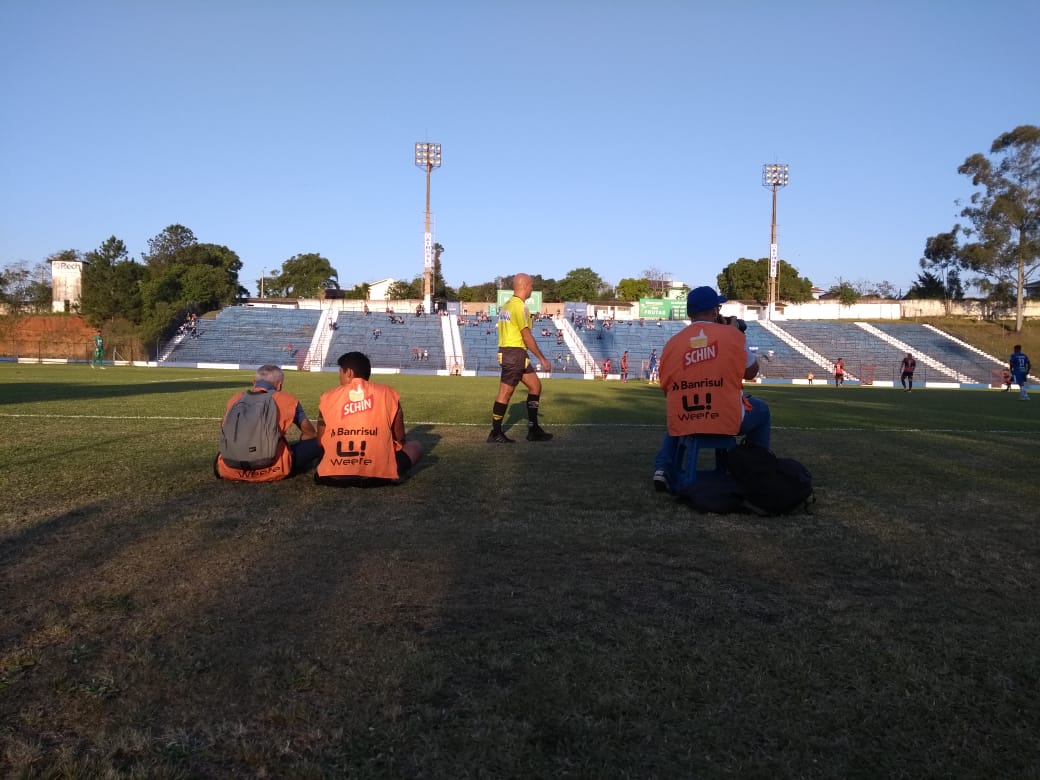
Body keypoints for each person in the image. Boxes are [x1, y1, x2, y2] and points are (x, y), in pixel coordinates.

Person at [652, 286, 771, 494]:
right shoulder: (731, 335)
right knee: (762, 410)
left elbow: (666, 387)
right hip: (725, 417)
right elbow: (752, 372)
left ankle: (663, 468)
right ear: (715, 311)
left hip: (685, 415)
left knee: (678, 417)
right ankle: (753, 467)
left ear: (690, 313)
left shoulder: (672, 344)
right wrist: (736, 334)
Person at [314, 351, 423, 486]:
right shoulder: (387, 393)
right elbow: (400, 439)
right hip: (378, 475)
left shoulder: (327, 397)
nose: (339, 376)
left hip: (333, 474)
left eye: (340, 371)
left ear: (348, 372)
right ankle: (392, 472)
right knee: (416, 446)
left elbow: (320, 442)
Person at [215, 365, 321, 482]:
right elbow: (310, 433)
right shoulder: (287, 399)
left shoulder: (235, 399)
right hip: (272, 468)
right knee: (321, 441)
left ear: (254, 382)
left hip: (230, 468)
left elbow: (224, 427)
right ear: (279, 385)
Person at [487, 273, 553, 443]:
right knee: (505, 393)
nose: (532, 289)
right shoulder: (520, 306)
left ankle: (534, 430)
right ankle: (495, 433)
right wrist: (542, 358)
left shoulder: (507, 305)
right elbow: (526, 336)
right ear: (525, 286)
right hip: (514, 353)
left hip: (513, 352)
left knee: (535, 386)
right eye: (531, 286)